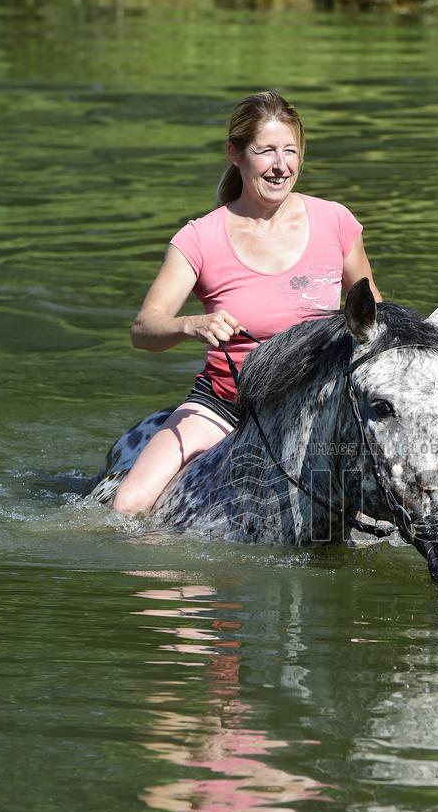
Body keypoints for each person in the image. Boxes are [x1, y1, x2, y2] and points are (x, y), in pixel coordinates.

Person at [113, 90, 381, 516]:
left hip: (321, 407)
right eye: (266, 151)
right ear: (235, 154)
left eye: (291, 151)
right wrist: (190, 325)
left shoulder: (336, 221)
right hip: (226, 405)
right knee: (128, 506)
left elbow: (373, 323)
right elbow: (144, 330)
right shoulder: (199, 238)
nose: (281, 165)